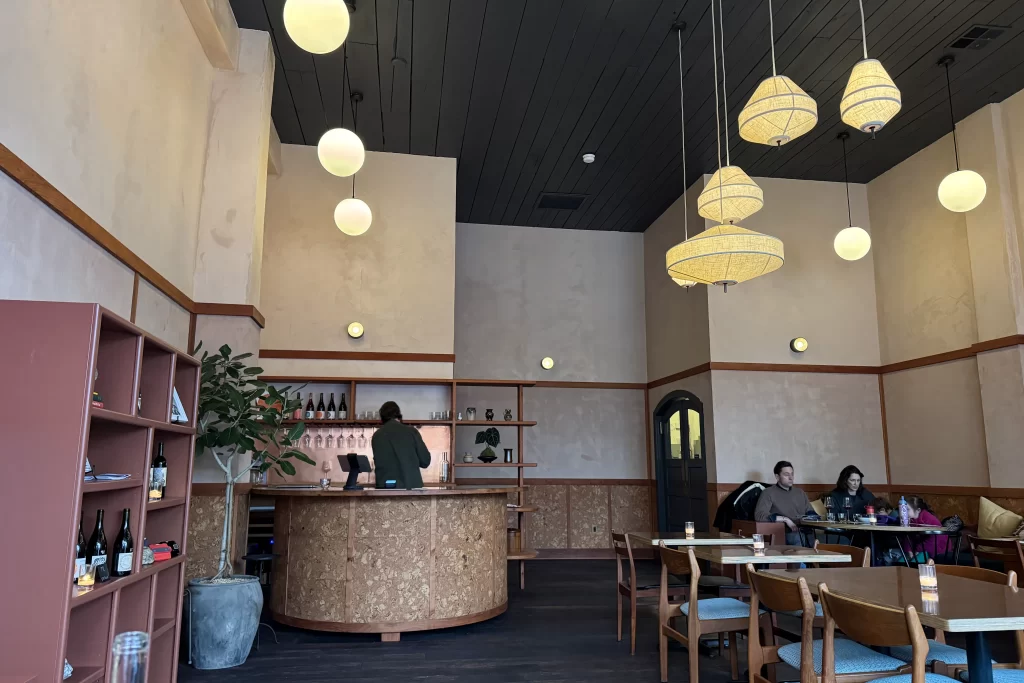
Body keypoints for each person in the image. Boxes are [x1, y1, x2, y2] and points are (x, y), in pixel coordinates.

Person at [370, 401, 431, 489]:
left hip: (384, 489)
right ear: (399, 416)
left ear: (381, 418)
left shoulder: (376, 436)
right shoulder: (411, 432)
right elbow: (425, 461)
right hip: (410, 488)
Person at [754, 461, 815, 546]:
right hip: (783, 532)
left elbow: (810, 512)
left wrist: (813, 518)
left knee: (822, 539)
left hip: (804, 529)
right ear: (777, 476)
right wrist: (785, 519)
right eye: (786, 474)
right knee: (797, 537)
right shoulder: (768, 493)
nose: (791, 478)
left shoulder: (800, 492)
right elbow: (759, 515)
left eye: (792, 474)